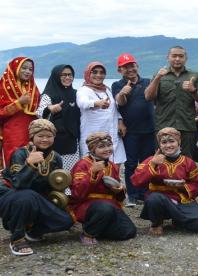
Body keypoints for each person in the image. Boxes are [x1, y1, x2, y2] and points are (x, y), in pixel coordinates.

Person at [0, 119, 73, 256]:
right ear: (32, 137)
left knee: (66, 220)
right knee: (26, 195)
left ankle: (32, 231)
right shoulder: (20, 154)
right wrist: (30, 164)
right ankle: (17, 238)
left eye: (49, 136)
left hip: (36, 198)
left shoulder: (56, 158)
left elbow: (55, 187)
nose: (45, 139)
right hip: (12, 195)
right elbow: (18, 184)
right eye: (40, 136)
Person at [131, 127, 198, 236]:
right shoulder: (152, 160)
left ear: (179, 142)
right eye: (164, 142)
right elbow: (136, 181)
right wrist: (153, 164)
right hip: (159, 200)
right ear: (159, 145)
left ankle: (177, 219)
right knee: (154, 198)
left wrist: (183, 187)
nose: (168, 145)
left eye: (172, 141)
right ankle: (157, 223)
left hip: (181, 199)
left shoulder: (188, 162)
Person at [70, 132, 136, 245]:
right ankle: (88, 233)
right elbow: (77, 193)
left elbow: (119, 196)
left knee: (129, 231)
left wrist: (119, 190)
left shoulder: (112, 165)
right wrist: (93, 173)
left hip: (110, 205)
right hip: (88, 205)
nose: (107, 149)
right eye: (101, 147)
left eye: (109, 145)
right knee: (104, 208)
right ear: (92, 149)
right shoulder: (82, 164)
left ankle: (99, 228)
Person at [144, 46, 198, 161]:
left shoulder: (194, 75)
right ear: (168, 58)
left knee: (187, 160)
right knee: (163, 159)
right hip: (164, 126)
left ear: (186, 58)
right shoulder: (159, 75)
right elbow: (148, 96)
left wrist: (193, 90)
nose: (177, 59)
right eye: (174, 56)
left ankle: (187, 180)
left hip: (187, 126)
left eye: (181, 56)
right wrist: (157, 78)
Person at [111, 53, 155, 206]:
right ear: (119, 70)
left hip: (149, 129)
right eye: (125, 67)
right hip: (130, 131)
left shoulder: (148, 82)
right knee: (130, 164)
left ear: (137, 66)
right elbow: (120, 103)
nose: (130, 69)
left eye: (132, 65)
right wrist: (123, 93)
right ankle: (133, 193)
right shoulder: (117, 85)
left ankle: (144, 192)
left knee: (146, 162)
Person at [76, 62, 126, 165]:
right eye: (94, 72)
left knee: (115, 164)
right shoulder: (83, 90)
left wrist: (120, 121)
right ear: (88, 74)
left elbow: (114, 109)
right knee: (92, 166)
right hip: (93, 134)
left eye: (102, 72)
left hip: (112, 134)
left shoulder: (106, 89)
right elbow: (82, 103)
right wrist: (96, 103)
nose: (98, 75)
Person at [37, 64, 80, 171]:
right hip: (55, 142)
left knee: (71, 174)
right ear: (56, 76)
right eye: (63, 75)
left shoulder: (76, 93)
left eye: (70, 75)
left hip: (73, 141)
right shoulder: (48, 94)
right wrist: (50, 109)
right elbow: (39, 112)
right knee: (56, 175)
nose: (67, 77)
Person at [0, 57, 40, 166]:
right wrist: (18, 103)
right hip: (11, 134)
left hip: (31, 132)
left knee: (30, 161)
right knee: (14, 161)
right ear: (15, 68)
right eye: (24, 68)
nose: (27, 72)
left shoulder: (34, 89)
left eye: (30, 69)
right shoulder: (2, 88)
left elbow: (36, 110)